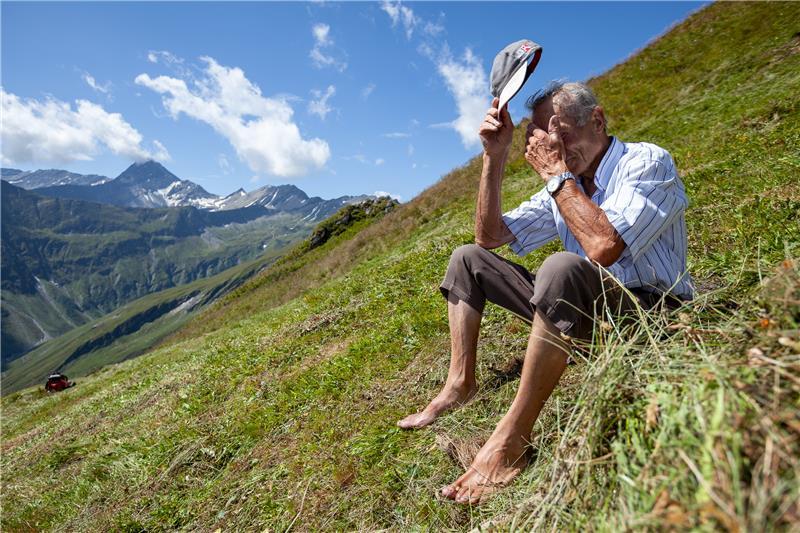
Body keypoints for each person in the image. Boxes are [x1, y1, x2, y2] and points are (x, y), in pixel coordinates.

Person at [397, 81, 693, 504]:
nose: (552, 144)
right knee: (467, 258)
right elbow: (490, 236)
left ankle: (511, 438)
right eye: (542, 135)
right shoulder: (565, 182)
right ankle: (460, 383)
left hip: (651, 318)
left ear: (598, 120)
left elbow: (603, 247)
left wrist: (557, 177)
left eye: (561, 130)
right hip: (586, 315)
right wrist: (493, 156)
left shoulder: (646, 162)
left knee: (561, 266)